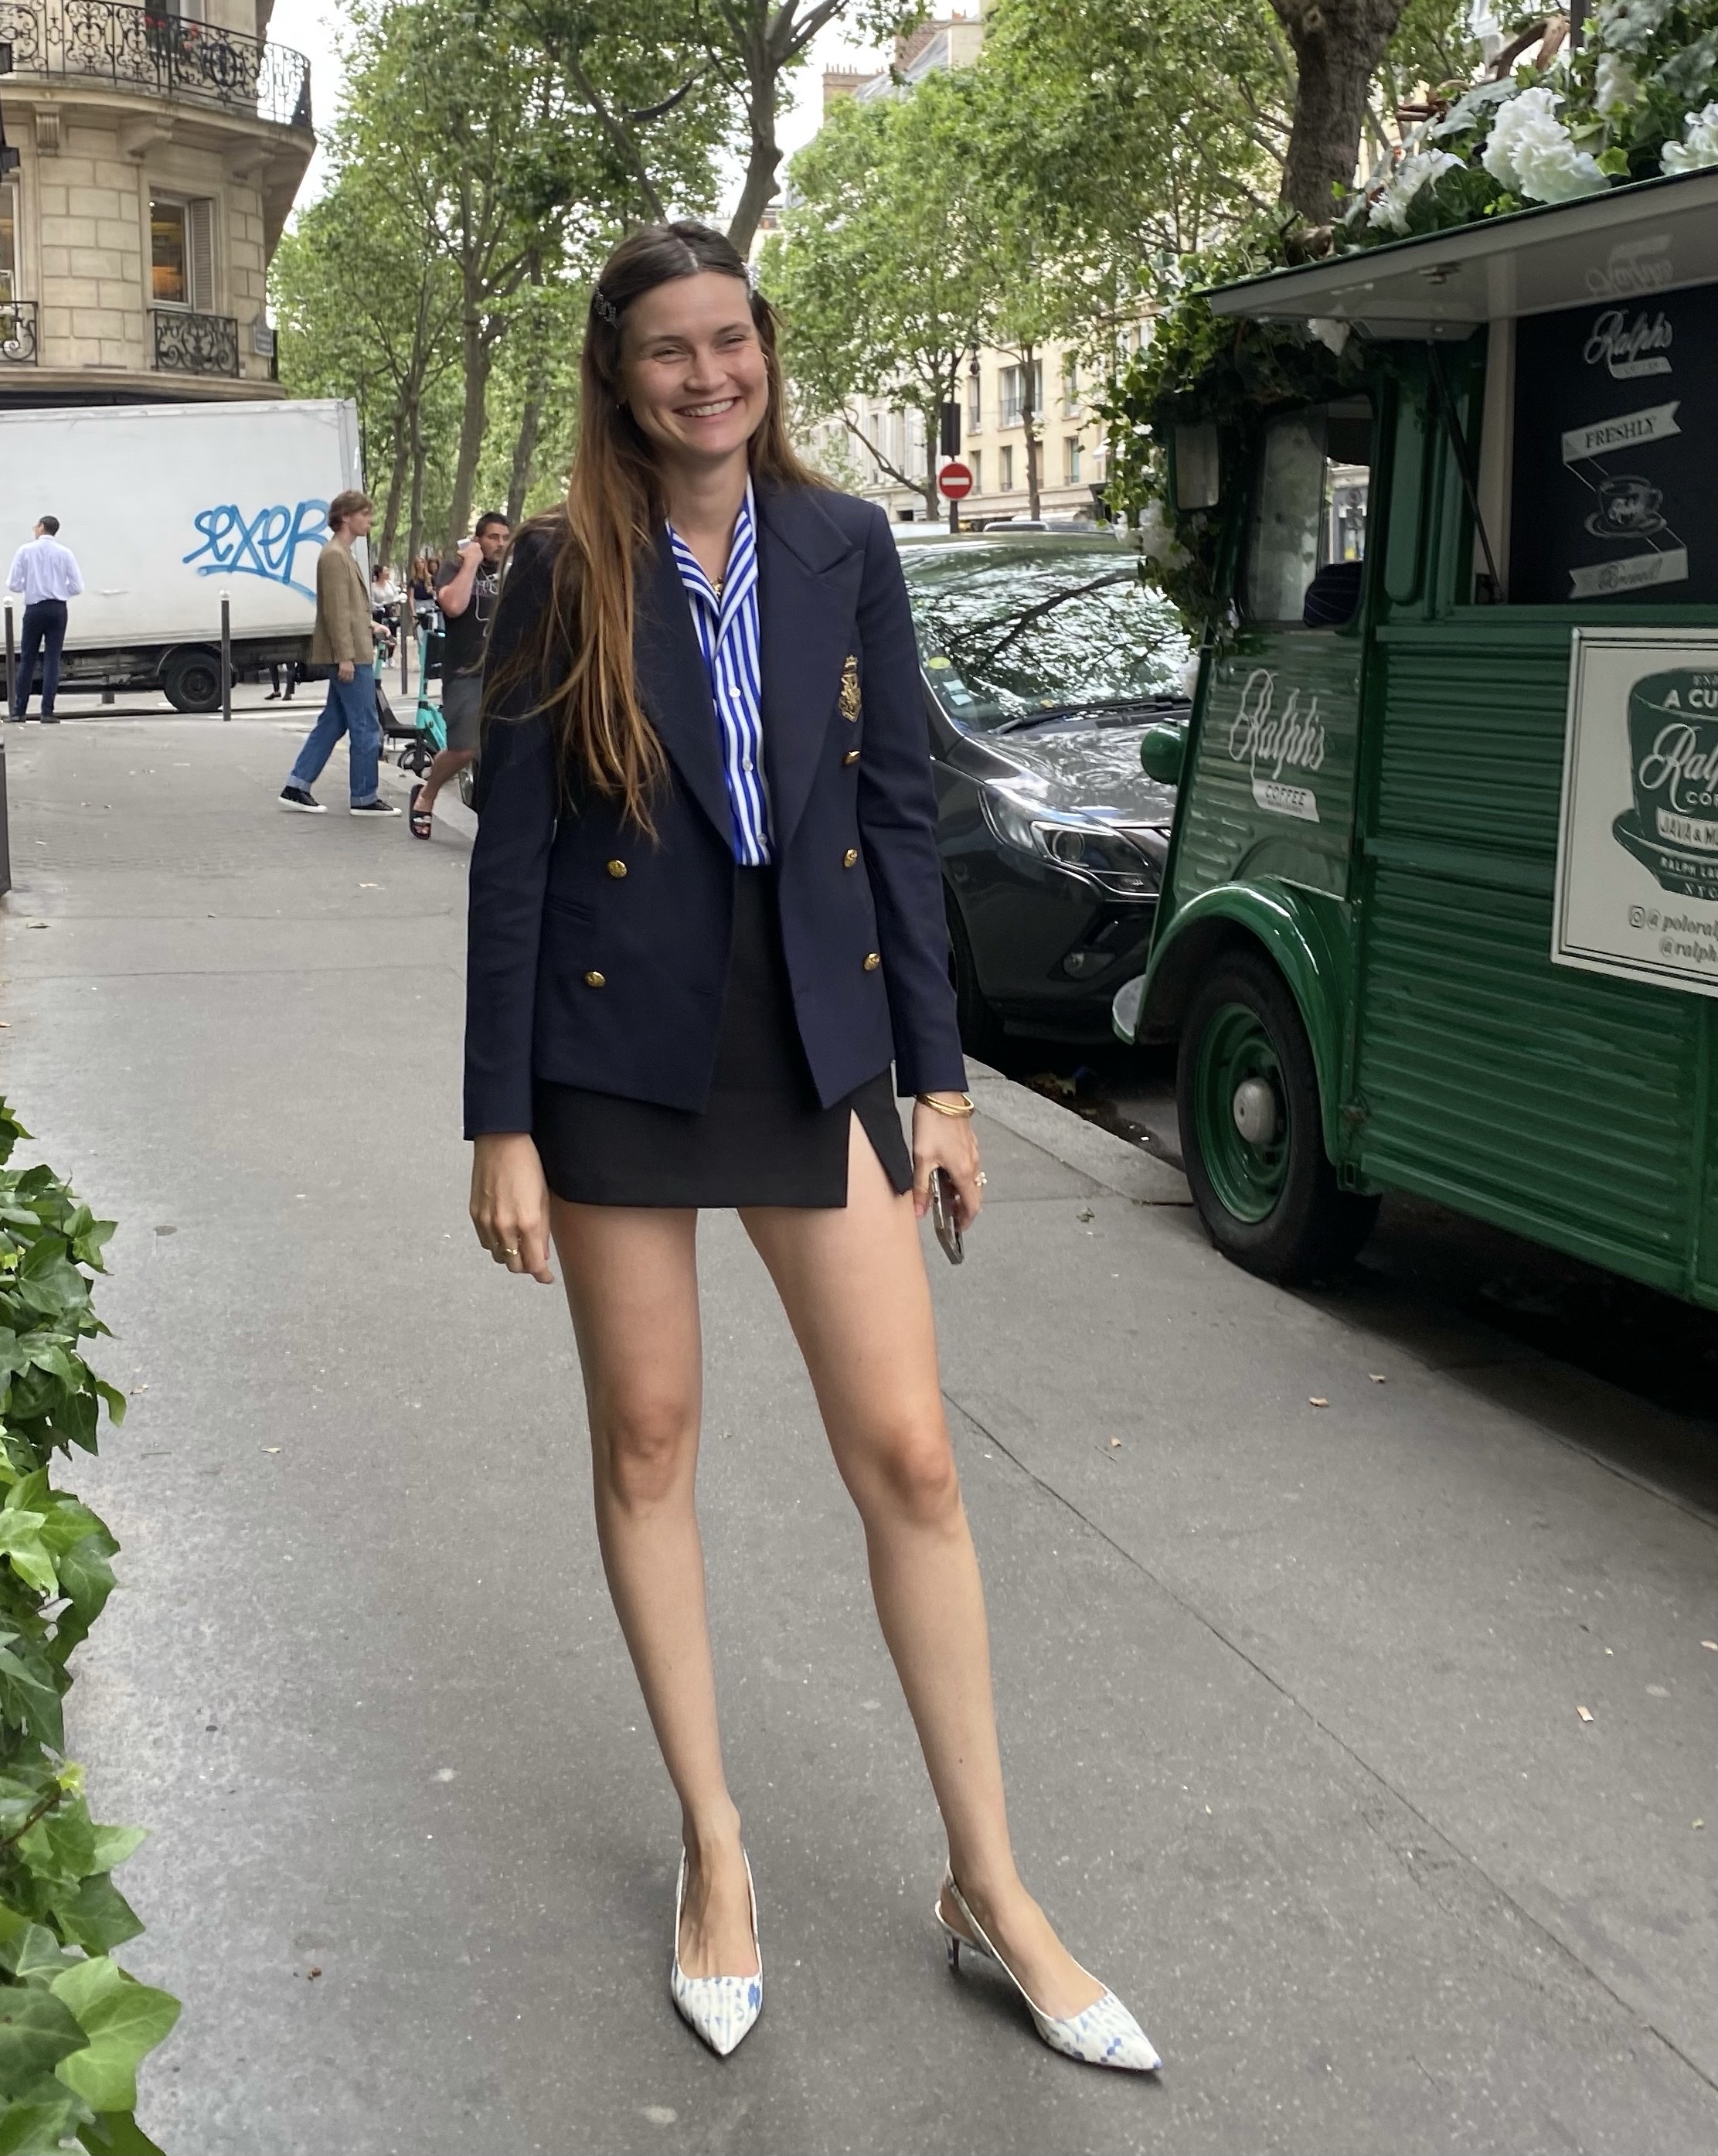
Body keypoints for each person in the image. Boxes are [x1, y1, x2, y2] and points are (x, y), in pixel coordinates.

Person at [464, 221, 1159, 2071]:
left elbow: (898, 820)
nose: (709, 373)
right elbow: (519, 859)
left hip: (816, 1040)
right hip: (611, 1053)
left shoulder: (845, 545)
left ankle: (989, 1886)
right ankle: (715, 1848)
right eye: (669, 350)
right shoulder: (557, 570)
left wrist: (937, 1085)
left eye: (731, 340)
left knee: (913, 1457)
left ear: (760, 351)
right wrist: (498, 1126)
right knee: (650, 1437)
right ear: (618, 377)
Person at [277, 492, 399, 816]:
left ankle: (297, 785)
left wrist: (372, 625)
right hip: (351, 655)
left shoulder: (342, 553)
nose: (369, 521)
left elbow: (347, 608)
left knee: (333, 721)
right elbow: (333, 611)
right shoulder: (334, 556)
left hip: (354, 648)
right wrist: (345, 656)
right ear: (345, 517)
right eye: (364, 514)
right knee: (366, 725)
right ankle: (364, 797)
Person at [408, 512, 509, 839]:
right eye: (494, 537)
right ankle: (428, 794)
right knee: (465, 747)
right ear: (478, 539)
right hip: (467, 672)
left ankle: (494, 817)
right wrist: (471, 563)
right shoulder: (455, 568)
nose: (500, 544)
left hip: (506, 673)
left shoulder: (513, 573)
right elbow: (453, 605)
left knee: (505, 748)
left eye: (506, 538)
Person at [7, 516, 83, 724]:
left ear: (41, 527)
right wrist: (59, 590)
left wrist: (31, 586)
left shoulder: (25, 551)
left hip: (34, 608)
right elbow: (77, 587)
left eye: (36, 525)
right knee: (52, 660)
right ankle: (47, 711)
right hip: (58, 609)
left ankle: (19, 711)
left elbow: (13, 584)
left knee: (28, 659)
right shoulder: (65, 553)